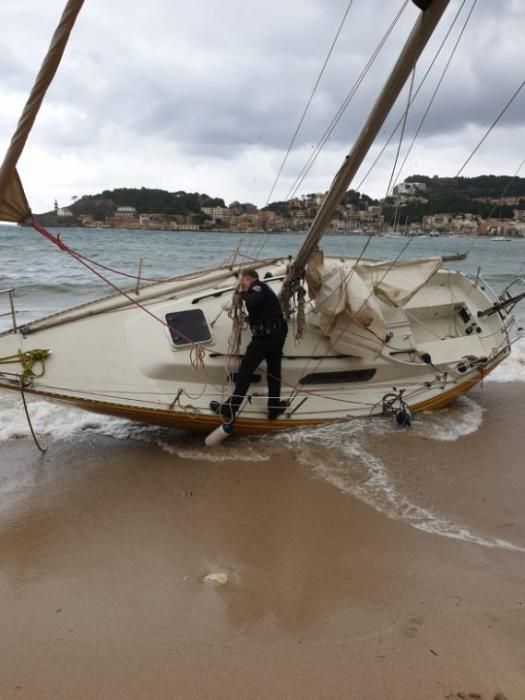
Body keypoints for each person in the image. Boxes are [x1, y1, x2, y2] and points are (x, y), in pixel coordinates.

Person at [210, 269, 288, 421]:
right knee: (274, 374)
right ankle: (274, 409)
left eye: (242, 281)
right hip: (276, 337)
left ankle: (229, 409)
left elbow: (254, 301)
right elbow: (261, 308)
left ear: (247, 279)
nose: (241, 285)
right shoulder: (263, 289)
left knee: (245, 373)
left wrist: (241, 295)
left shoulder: (257, 286)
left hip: (264, 340)